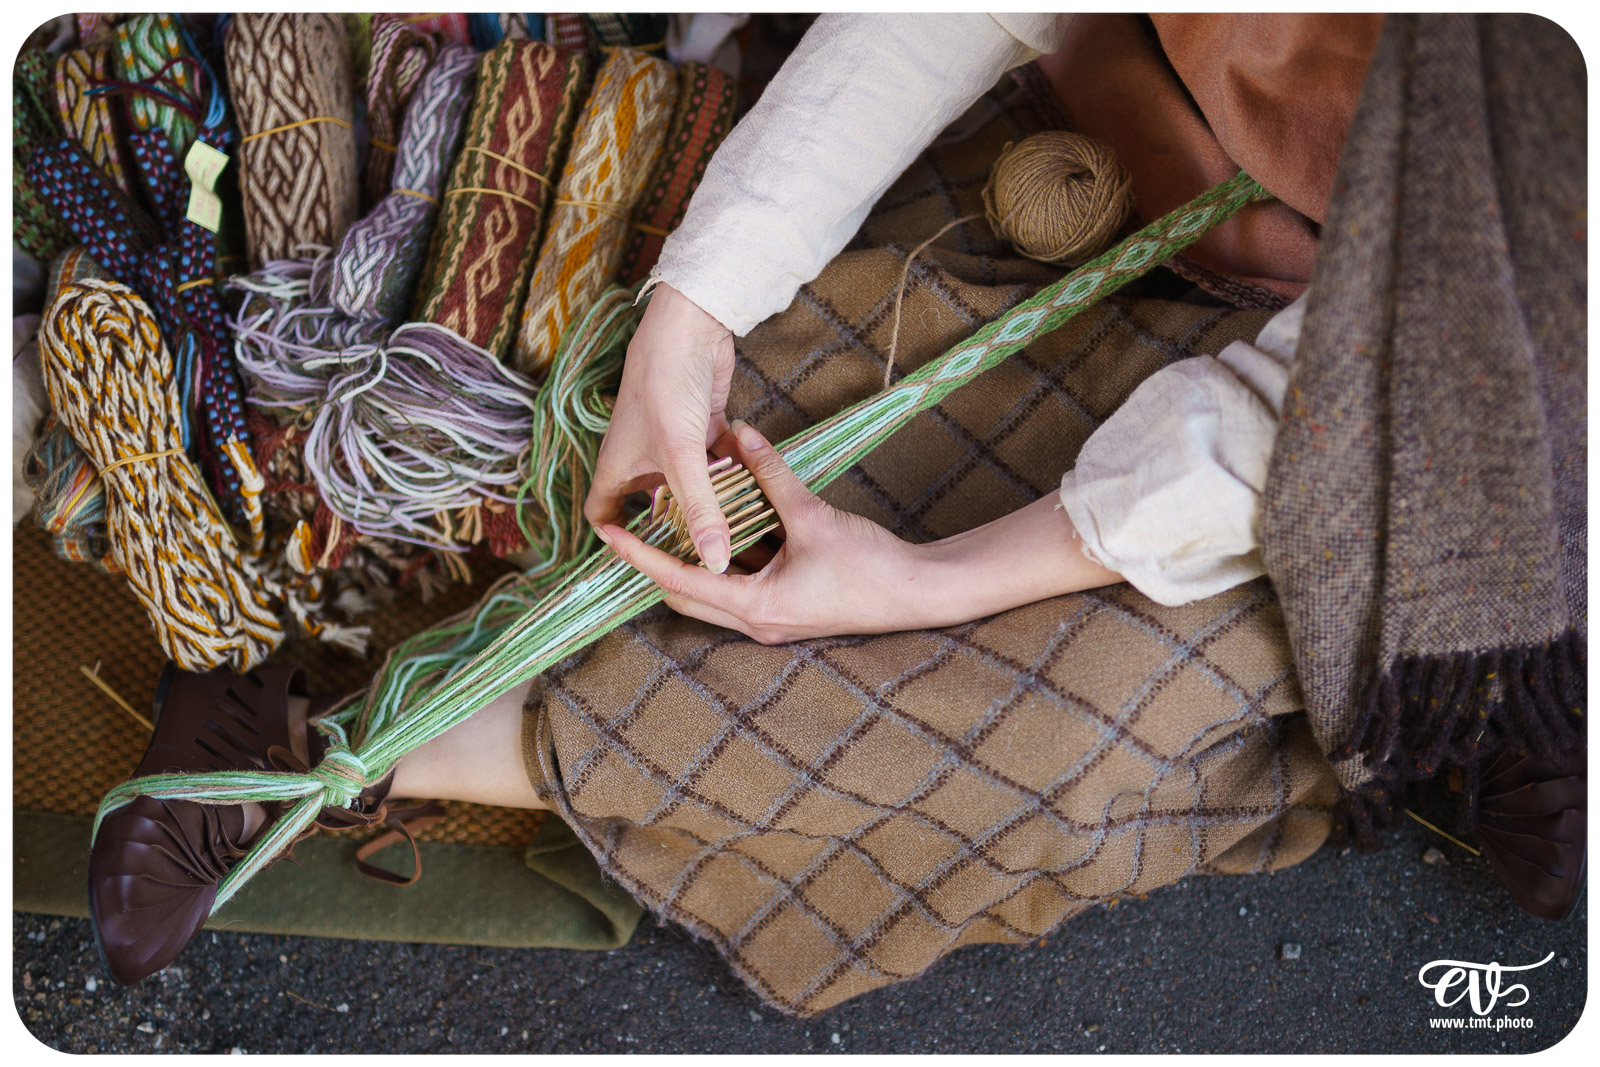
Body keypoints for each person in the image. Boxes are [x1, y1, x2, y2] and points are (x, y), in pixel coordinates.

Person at [91, 13, 1582, 1012]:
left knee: (1057, 731)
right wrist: (693, 316)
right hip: (1102, 168)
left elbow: (1326, 398)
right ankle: (308, 729)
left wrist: (929, 584)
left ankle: (327, 749)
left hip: (1386, 402)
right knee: (751, 452)